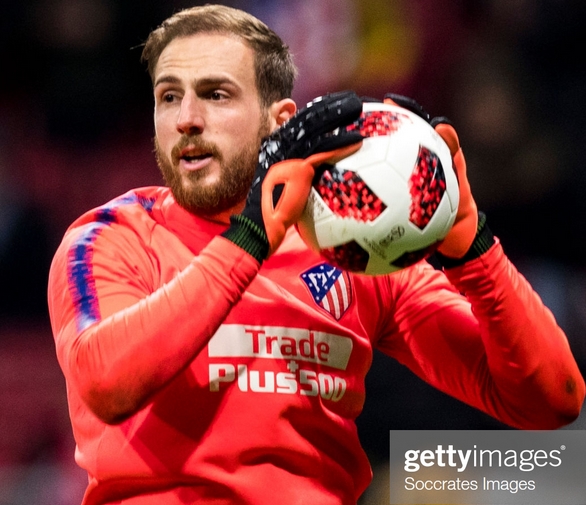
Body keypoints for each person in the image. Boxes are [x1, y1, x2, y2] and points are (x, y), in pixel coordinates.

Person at [47, 4, 585, 505]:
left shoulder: (350, 252)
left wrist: (475, 251)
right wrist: (250, 238)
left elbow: (552, 401)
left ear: (279, 121)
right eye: (169, 96)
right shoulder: (110, 237)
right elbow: (105, 383)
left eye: (216, 95)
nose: (187, 118)